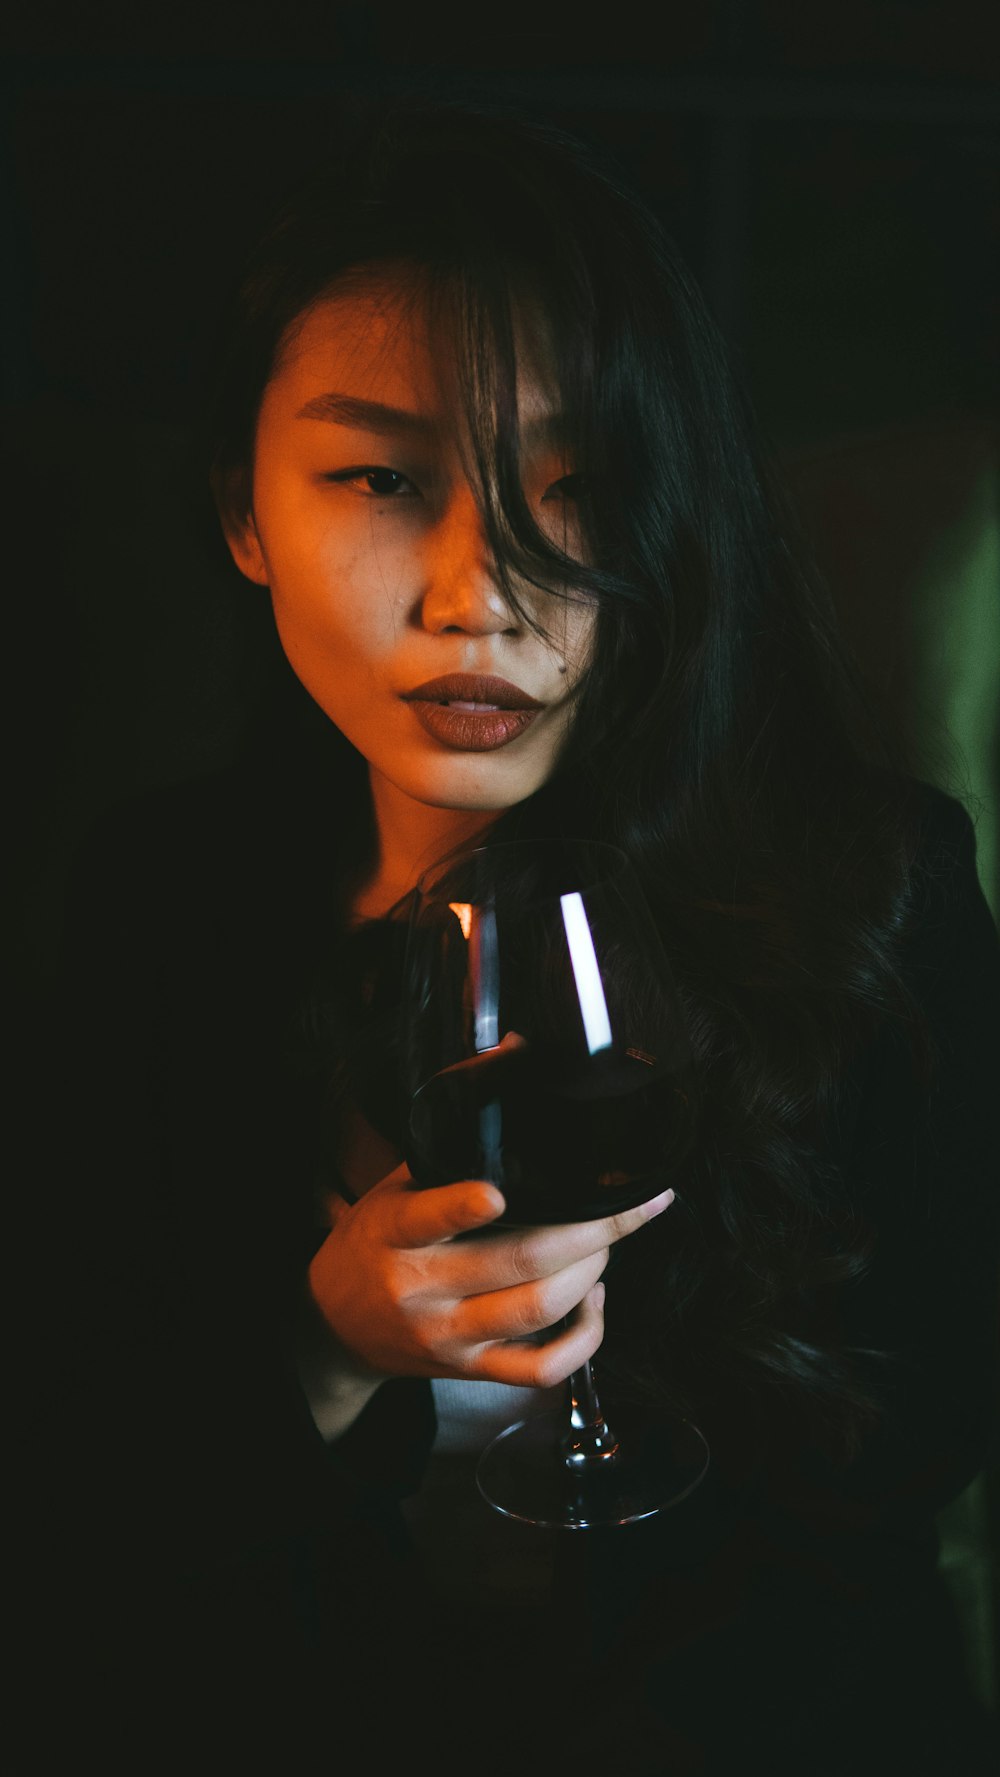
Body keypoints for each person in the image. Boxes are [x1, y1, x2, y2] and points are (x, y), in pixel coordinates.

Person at [25, 99, 999, 1774]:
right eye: (387, 477)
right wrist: (328, 1344)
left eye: (584, 483)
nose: (484, 589)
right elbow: (86, 1510)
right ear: (246, 515)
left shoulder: (872, 892)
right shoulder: (151, 906)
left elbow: (910, 1451)